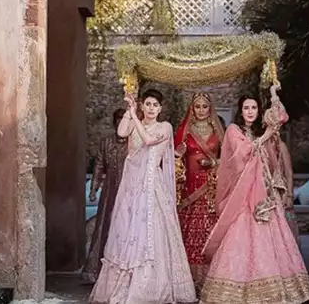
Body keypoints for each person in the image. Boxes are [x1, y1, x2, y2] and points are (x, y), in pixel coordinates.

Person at [200, 86, 309, 304]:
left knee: (271, 237)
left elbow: (281, 117)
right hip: (243, 194)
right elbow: (241, 154)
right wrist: (265, 137)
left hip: (264, 193)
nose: (250, 111)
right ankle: (237, 291)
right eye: (246, 108)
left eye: (254, 108)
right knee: (242, 237)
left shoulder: (261, 131)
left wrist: (273, 94)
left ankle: (275, 289)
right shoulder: (233, 130)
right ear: (240, 111)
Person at [90, 87, 196, 304]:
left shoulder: (164, 127)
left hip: (151, 186)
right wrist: (130, 110)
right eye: (147, 104)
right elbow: (121, 132)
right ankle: (124, 283)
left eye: (155, 105)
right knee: (127, 230)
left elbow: (147, 140)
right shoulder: (134, 121)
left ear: (160, 108)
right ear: (142, 105)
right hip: (131, 185)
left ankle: (149, 287)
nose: (151, 108)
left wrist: (135, 116)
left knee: (150, 230)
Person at [174, 92, 225, 290]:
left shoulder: (218, 131)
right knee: (189, 232)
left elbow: (229, 159)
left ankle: (211, 278)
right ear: (192, 109)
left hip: (212, 187)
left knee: (209, 230)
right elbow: (173, 158)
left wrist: (213, 162)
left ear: (210, 108)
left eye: (205, 106)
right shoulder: (184, 131)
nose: (202, 110)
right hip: (189, 189)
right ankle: (187, 280)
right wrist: (178, 154)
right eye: (198, 107)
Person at [82, 107, 129, 285]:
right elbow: (99, 166)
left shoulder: (134, 140)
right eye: (117, 118)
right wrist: (94, 189)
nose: (119, 122)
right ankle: (98, 269)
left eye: (122, 118)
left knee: (127, 227)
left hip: (130, 189)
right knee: (105, 225)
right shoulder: (106, 142)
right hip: (110, 189)